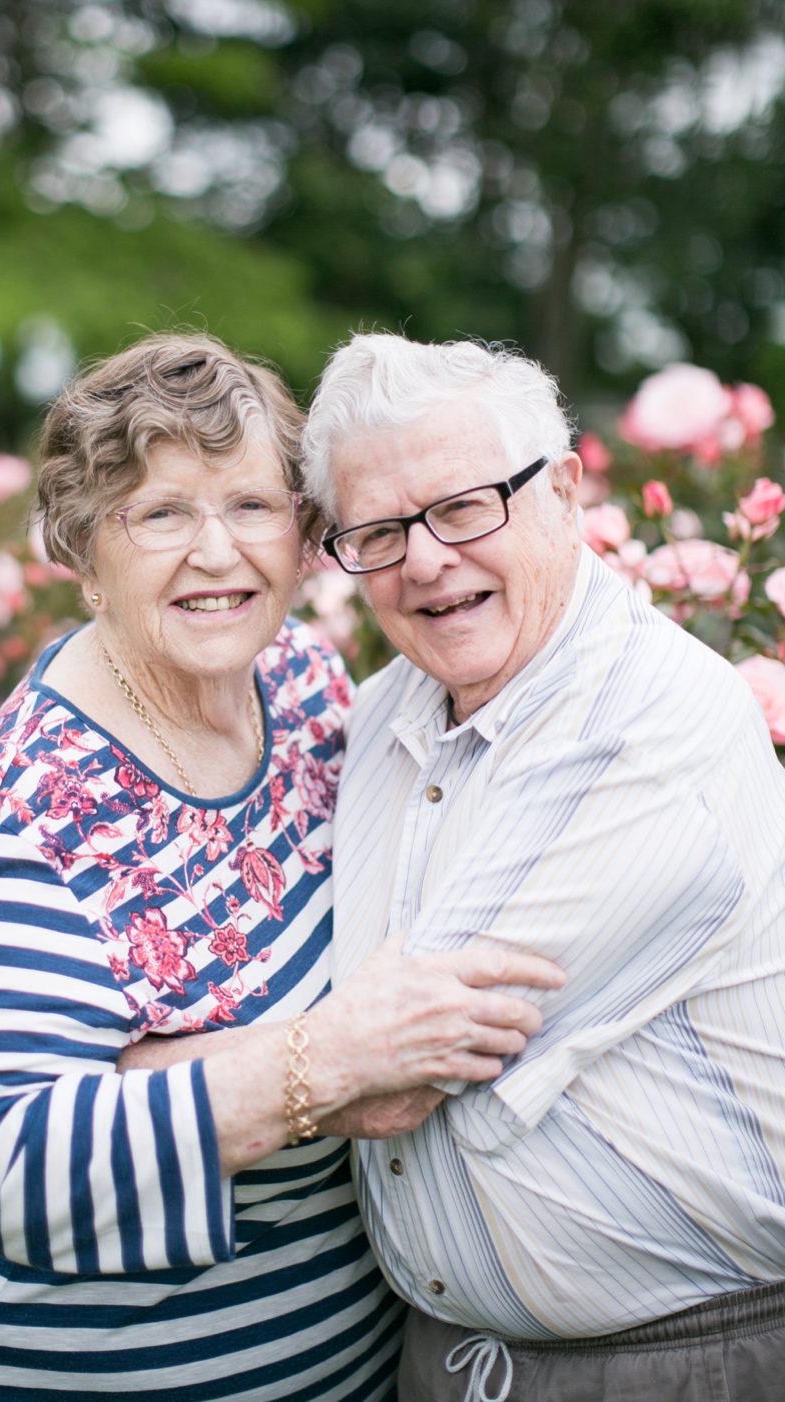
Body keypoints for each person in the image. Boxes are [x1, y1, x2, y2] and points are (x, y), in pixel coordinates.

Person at [0, 332, 562, 1400]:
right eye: (159, 513)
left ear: (302, 534)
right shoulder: (37, 801)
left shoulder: (294, 681)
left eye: (250, 506)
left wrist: (179, 1065)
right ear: (81, 552)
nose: (215, 553)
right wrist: (315, 1067)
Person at [303, 332, 785, 1402]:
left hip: (679, 1362)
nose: (424, 559)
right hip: (442, 1358)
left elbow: (392, 1068)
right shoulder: (381, 711)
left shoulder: (646, 725)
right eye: (377, 531)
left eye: (464, 505)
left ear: (563, 490)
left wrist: (124, 1086)